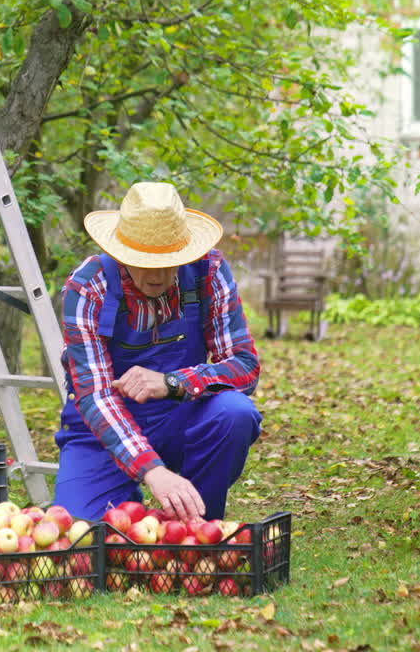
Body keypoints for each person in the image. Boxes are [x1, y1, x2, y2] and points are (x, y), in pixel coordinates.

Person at [52, 181, 262, 523]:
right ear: (121, 252)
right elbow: (94, 395)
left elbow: (244, 366)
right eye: (143, 260)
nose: (156, 274)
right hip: (101, 432)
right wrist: (153, 470)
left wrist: (173, 382)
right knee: (84, 537)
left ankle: (196, 523)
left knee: (234, 412)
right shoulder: (88, 286)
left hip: (179, 418)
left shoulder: (208, 271)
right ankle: (127, 496)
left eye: (170, 260)